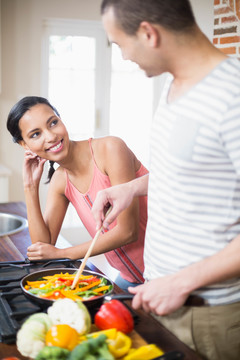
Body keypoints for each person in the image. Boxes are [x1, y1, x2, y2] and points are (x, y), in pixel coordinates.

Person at [91, 0, 240, 359]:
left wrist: (182, 281)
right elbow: (194, 176)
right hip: (161, 297)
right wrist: (131, 188)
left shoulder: (232, 95)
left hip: (208, 314)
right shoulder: (175, 88)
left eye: (120, 44)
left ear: (148, 33)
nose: (124, 56)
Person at [6, 96, 148, 292]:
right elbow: (43, 247)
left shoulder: (110, 149)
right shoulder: (60, 179)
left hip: (168, 272)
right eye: (36, 134)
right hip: (131, 280)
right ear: (24, 145)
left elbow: (128, 231)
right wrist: (30, 186)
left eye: (53, 123)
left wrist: (62, 253)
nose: (50, 136)